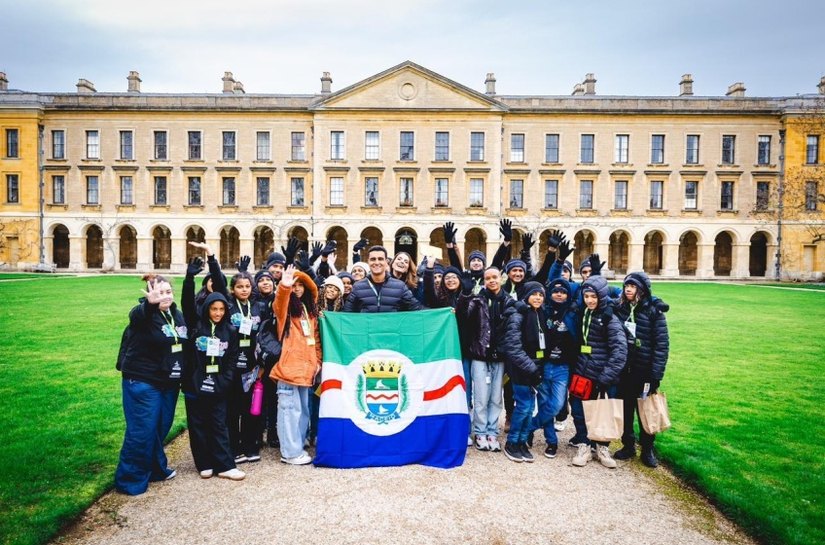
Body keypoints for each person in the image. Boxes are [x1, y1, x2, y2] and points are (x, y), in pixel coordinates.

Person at [114, 274, 185, 495]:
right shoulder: (144, 315)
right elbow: (136, 316)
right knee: (142, 431)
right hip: (143, 381)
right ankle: (130, 479)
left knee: (160, 427)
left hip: (168, 381)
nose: (165, 296)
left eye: (168, 292)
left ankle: (155, 468)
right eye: (159, 293)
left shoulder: (176, 314)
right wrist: (149, 304)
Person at [182, 257, 244, 481]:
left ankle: (225, 464)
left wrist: (225, 380)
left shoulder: (229, 330)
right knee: (197, 424)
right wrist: (189, 278)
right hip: (195, 383)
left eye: (220, 309)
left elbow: (232, 357)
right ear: (207, 308)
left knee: (219, 424)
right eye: (213, 309)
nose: (217, 313)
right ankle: (204, 463)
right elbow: (187, 304)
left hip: (218, 383)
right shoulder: (196, 325)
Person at [569, 274, 627, 469]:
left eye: (594, 297)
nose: (590, 300)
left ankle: (602, 447)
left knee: (604, 412)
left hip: (602, 374)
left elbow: (620, 350)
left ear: (601, 296)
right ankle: (584, 445)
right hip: (583, 370)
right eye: (587, 296)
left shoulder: (609, 318)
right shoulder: (584, 313)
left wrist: (607, 376)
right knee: (579, 409)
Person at [613, 272, 670, 468]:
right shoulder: (620, 307)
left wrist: (655, 375)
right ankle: (628, 445)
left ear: (642, 290)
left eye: (633, 286)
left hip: (644, 371)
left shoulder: (654, 311)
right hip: (624, 370)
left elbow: (661, 346)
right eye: (626, 285)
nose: (628, 289)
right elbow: (597, 294)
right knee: (626, 409)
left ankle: (647, 449)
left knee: (646, 410)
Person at [456, 266, 514, 452]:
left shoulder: (508, 301)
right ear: (484, 280)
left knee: (496, 397)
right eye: (487, 278)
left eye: (494, 277)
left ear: (501, 278)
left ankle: (492, 431)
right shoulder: (478, 300)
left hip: (500, 356)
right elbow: (464, 315)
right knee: (481, 396)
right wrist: (465, 294)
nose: (491, 281)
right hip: (480, 354)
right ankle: (480, 431)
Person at [270, 265, 322, 465]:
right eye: (295, 285)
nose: (298, 288)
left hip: (306, 370)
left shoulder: (309, 313)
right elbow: (279, 302)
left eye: (301, 285)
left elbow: (315, 339)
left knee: (303, 411)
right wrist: (284, 286)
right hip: (289, 369)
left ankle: (298, 445)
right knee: (289, 411)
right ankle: (290, 453)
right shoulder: (285, 313)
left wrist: (318, 360)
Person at [530, 278, 578, 458]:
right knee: (544, 403)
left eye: (563, 291)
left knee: (557, 404)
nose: (559, 294)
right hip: (545, 364)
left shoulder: (573, 313)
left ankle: (529, 427)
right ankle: (552, 442)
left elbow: (598, 291)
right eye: (556, 291)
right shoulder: (542, 311)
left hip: (562, 367)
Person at [500, 282, 546, 462]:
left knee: (529, 408)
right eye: (534, 294)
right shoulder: (517, 316)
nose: (538, 298)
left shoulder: (538, 313)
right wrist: (532, 368)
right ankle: (512, 442)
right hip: (521, 369)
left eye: (541, 295)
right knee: (524, 406)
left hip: (534, 368)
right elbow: (513, 347)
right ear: (526, 296)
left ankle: (522, 442)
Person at [226, 270, 268, 464]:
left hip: (253, 366)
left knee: (251, 408)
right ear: (233, 289)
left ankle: (250, 446)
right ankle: (234, 448)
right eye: (239, 287)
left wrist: (262, 364)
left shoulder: (258, 307)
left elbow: (265, 336)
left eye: (247, 286)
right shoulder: (228, 308)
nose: (243, 290)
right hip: (233, 365)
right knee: (233, 409)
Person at [343, 246, 423, 313]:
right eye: (373, 259)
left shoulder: (400, 286)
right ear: (368, 262)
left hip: (391, 331)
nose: (377, 262)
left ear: (386, 262)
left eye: (380, 259)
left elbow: (417, 309)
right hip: (367, 331)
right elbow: (347, 314)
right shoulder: (357, 287)